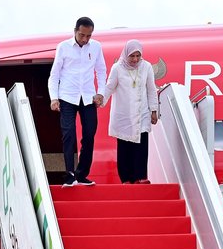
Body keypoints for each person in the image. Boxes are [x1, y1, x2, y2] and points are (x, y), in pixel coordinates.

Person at [48, 16, 106, 186]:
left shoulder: (96, 47)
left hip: (88, 97)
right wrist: (54, 97)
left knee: (89, 135)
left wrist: (101, 93)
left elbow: (101, 71)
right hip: (67, 96)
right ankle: (69, 174)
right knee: (69, 135)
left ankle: (81, 174)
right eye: (82, 35)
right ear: (75, 31)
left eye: (88, 36)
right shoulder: (63, 47)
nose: (85, 39)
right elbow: (55, 74)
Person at [103, 40, 158, 184]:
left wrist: (154, 110)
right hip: (124, 114)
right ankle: (126, 178)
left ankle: (140, 177)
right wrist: (100, 101)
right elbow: (109, 87)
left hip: (142, 113)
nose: (134, 60)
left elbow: (151, 89)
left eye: (137, 56)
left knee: (141, 146)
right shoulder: (117, 68)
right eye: (131, 56)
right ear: (126, 54)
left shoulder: (146, 67)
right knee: (125, 147)